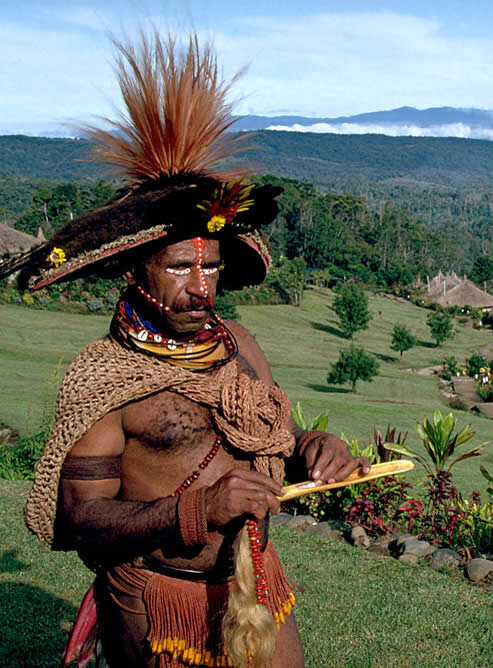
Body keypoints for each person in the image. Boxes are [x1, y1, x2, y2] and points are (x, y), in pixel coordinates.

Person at [1, 33, 369, 667]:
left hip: (256, 582)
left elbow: (268, 433)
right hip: (160, 599)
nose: (202, 288)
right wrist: (195, 509)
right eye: (178, 268)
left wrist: (311, 447)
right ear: (134, 270)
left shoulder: (241, 346)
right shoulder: (107, 380)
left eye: (213, 269)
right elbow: (81, 520)